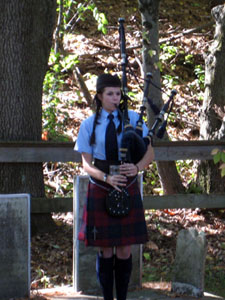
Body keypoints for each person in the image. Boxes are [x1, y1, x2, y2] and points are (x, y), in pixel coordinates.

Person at [74, 73, 154, 300]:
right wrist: (105, 178)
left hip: (127, 183)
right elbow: (86, 164)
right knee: (106, 249)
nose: (115, 98)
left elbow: (150, 151)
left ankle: (122, 298)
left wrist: (137, 168)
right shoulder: (89, 124)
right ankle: (107, 297)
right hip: (101, 185)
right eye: (109, 94)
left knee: (125, 249)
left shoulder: (132, 119)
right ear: (99, 96)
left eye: (118, 93)